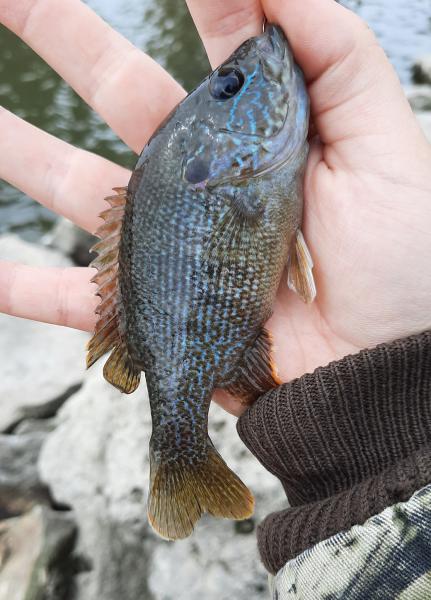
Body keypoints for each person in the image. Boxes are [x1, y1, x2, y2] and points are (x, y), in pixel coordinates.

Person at [0, 0, 430, 597]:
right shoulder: (229, 173)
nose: (244, 74)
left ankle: (180, 456)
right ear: (208, 159)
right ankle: (180, 449)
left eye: (227, 84)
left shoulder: (230, 172)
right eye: (231, 86)